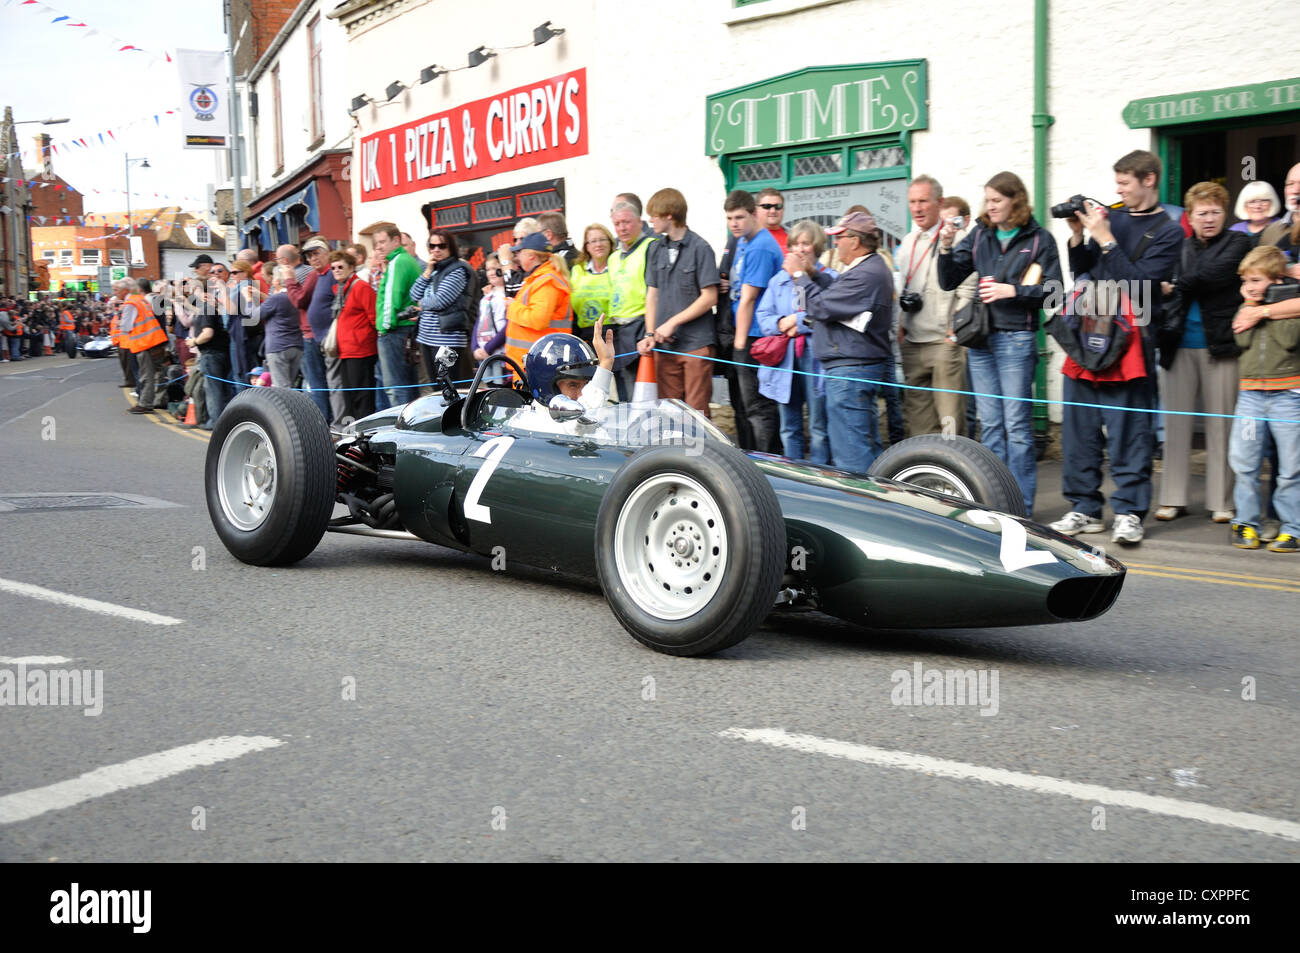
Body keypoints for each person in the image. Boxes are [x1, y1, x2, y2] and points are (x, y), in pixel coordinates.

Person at [1045, 151, 1183, 543]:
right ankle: (1084, 508)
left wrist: (1105, 237)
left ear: (1149, 180)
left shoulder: (1170, 231)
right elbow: (1082, 270)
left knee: (1130, 432)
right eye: (1117, 182)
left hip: (1132, 339)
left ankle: (1129, 512)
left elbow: (1139, 284)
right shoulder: (1112, 216)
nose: (1118, 190)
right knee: (1079, 430)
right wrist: (1078, 235)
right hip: (1088, 331)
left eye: (1125, 183)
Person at [938, 170, 1062, 515]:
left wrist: (1014, 291)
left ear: (1015, 201)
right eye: (987, 200)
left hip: (1016, 340)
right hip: (981, 339)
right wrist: (946, 246)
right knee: (990, 426)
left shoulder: (1039, 239)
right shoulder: (980, 234)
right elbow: (949, 280)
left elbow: (1055, 293)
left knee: (1018, 427)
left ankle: (1021, 508)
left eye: (996, 200)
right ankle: (996, 502)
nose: (989, 206)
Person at [1155, 182, 1251, 525]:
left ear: (1225, 214)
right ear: (1190, 217)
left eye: (1215, 212)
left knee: (1221, 426)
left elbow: (1218, 273)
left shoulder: (1238, 242)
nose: (1209, 218)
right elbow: (1156, 280)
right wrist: (1174, 283)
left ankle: (1221, 502)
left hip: (1220, 345)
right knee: (1176, 425)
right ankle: (1172, 498)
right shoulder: (1178, 247)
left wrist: (1178, 283)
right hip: (1178, 344)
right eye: (1201, 213)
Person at [790, 210, 895, 473]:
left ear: (855, 241)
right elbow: (825, 298)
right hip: (852, 368)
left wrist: (798, 277)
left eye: (840, 237)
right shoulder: (866, 269)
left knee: (851, 455)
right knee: (863, 445)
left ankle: (864, 504)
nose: (835, 243)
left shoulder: (866, 273)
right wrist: (812, 274)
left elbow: (816, 307)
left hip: (851, 371)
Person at [1228, 244, 1300, 552]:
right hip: (1250, 398)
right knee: (1244, 462)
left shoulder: (1291, 311)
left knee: (1290, 467)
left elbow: (1288, 341)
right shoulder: (1246, 305)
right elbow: (1240, 338)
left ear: (1275, 279)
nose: (1249, 287)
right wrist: (1250, 306)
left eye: (1256, 280)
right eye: (1245, 281)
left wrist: (1269, 310)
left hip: (1287, 397)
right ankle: (1246, 522)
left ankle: (1293, 528)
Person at [898, 174, 974, 437]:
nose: (917, 208)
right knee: (919, 427)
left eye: (923, 201)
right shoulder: (908, 241)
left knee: (951, 426)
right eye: (912, 202)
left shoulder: (958, 237)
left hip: (944, 344)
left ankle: (955, 477)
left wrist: (954, 333)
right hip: (912, 342)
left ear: (939, 203)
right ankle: (923, 478)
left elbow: (968, 289)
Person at [754, 219, 834, 463]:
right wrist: (781, 323)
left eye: (806, 244)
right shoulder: (778, 281)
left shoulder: (829, 277)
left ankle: (822, 479)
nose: (800, 249)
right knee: (789, 426)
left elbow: (821, 315)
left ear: (817, 246)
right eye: (796, 244)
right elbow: (763, 316)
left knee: (819, 427)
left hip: (815, 357)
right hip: (785, 359)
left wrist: (795, 322)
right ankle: (795, 474)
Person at [639, 188, 719, 416]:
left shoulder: (700, 248)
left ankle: (699, 453)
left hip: (696, 344)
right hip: (664, 347)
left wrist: (672, 322)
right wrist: (649, 333)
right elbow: (651, 295)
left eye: (654, 214)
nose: (650, 220)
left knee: (696, 414)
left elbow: (709, 297)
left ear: (669, 215)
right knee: (669, 413)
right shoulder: (654, 249)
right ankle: (673, 453)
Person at [725, 189, 784, 453]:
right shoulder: (743, 241)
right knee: (747, 408)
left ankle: (769, 463)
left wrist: (739, 348)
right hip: (746, 333)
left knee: (759, 407)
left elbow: (748, 299)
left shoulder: (760, 245)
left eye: (739, 217)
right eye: (729, 218)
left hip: (757, 336)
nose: (734, 223)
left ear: (753, 214)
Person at [505, 321, 617, 436]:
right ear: (547, 388)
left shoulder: (585, 425)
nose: (581, 394)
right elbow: (581, 423)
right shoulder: (532, 423)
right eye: (573, 385)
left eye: (586, 384)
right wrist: (605, 365)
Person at [410, 229, 474, 387]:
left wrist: (420, 306)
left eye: (441, 245)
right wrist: (427, 272)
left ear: (450, 247)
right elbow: (413, 294)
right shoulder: (433, 269)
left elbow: (440, 301)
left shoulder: (458, 270)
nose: (436, 249)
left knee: (449, 387)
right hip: (426, 337)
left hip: (447, 339)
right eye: (432, 246)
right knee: (436, 388)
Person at [607, 201, 658, 400]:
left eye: (627, 222)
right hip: (618, 332)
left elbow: (654, 293)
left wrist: (648, 331)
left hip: (640, 328)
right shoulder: (614, 257)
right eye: (617, 223)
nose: (622, 228)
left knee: (640, 397)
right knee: (623, 397)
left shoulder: (650, 247)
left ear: (639, 222)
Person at [504, 232, 572, 368]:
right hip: (532, 360)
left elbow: (538, 320)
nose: (517, 257)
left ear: (531, 256)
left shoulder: (547, 281)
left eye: (519, 252)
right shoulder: (538, 279)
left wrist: (512, 306)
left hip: (540, 362)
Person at [373, 223, 422, 409]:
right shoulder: (405, 260)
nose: (379, 247)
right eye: (376, 243)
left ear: (396, 240)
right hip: (405, 330)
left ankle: (402, 432)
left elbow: (390, 300)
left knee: (396, 388)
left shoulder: (398, 261)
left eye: (383, 241)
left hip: (395, 331)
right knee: (407, 387)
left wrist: (384, 328)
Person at [330, 250, 379, 424]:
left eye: (340, 266)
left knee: (362, 397)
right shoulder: (340, 289)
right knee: (349, 397)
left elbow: (374, 317)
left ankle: (365, 434)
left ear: (351, 267)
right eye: (333, 267)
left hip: (361, 351)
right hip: (345, 351)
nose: (336, 270)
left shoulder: (360, 287)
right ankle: (353, 435)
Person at [117, 278, 169, 414]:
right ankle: (158, 400)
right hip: (155, 341)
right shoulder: (141, 300)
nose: (115, 292)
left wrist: (119, 324)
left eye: (116, 290)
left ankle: (146, 403)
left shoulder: (130, 303)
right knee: (157, 373)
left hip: (143, 343)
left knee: (146, 375)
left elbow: (126, 327)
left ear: (125, 290)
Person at [255, 265, 303, 389]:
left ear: (276, 281)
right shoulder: (296, 297)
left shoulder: (277, 299)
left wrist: (249, 299)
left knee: (282, 389)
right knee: (290, 386)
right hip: (297, 346)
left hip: (278, 347)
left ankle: (285, 409)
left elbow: (254, 316)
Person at [569, 223, 614, 344]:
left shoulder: (618, 267)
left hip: (613, 333)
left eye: (602, 240)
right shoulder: (577, 270)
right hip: (585, 334)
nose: (598, 244)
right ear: (587, 247)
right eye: (593, 241)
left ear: (610, 242)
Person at [472, 252, 509, 364]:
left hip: (501, 355)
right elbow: (479, 322)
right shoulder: (486, 297)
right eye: (488, 269)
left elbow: (509, 326)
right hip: (483, 355)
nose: (491, 273)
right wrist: (474, 347)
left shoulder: (509, 295)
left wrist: (488, 348)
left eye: (495, 268)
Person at [756, 188, 787, 253]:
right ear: (756, 210)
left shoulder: (794, 237)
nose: (773, 211)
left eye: (778, 206)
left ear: (783, 209)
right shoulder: (746, 238)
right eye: (767, 206)